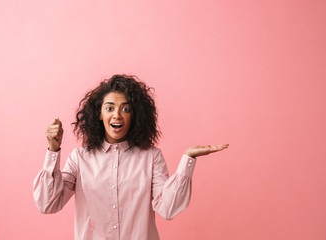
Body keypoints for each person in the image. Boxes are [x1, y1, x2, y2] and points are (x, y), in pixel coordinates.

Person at [33, 74, 228, 240]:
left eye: (125, 109)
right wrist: (53, 150)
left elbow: (168, 208)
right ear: (99, 114)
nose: (117, 115)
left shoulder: (151, 157)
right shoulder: (79, 158)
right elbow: (48, 203)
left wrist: (187, 160)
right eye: (109, 108)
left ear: (135, 115)